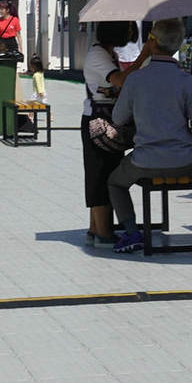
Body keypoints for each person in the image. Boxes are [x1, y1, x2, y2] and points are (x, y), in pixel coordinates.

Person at [109, 18, 192, 255]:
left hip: (144, 161)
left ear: (151, 42)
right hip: (185, 160)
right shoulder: (186, 80)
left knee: (115, 182)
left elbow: (118, 118)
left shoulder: (135, 79)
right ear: (177, 45)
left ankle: (132, 232)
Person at [81, 21, 153, 247]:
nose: (130, 34)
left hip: (105, 118)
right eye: (128, 30)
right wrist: (143, 57)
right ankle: (103, 233)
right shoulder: (98, 55)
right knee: (100, 176)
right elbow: (119, 80)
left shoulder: (107, 54)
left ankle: (96, 229)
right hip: (98, 121)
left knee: (103, 174)